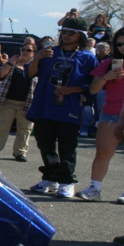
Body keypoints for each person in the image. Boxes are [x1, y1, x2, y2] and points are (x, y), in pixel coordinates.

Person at [26, 17, 97, 198]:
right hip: (44, 105)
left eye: (70, 33)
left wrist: (70, 89)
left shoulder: (87, 57)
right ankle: (50, 177)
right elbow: (29, 73)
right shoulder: (48, 52)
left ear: (80, 36)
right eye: (63, 32)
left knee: (67, 147)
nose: (65, 36)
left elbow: (93, 85)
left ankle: (66, 181)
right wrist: (37, 57)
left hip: (69, 108)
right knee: (45, 144)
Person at [77, 28, 124, 203]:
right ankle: (94, 188)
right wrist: (106, 77)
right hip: (111, 111)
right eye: (119, 44)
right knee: (103, 152)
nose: (123, 47)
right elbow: (94, 89)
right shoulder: (110, 62)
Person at [0, 41, 37, 162]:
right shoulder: (13, 64)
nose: (25, 52)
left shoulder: (37, 67)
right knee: (1, 127)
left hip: (27, 103)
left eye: (28, 50)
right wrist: (10, 62)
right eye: (23, 49)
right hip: (7, 101)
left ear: (34, 53)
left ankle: (20, 153)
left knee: (25, 129)